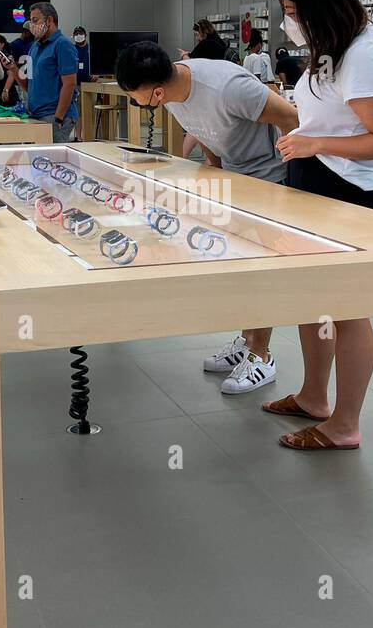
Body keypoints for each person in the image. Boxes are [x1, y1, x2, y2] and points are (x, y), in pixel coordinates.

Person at [265, 0, 373, 452]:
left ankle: (345, 424)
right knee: (314, 298)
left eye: (294, 11)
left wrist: (316, 143)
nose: (290, 22)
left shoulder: (365, 55)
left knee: (347, 308)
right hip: (313, 182)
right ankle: (313, 396)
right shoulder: (333, 47)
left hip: (345, 191)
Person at [115, 40, 300, 394]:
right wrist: (218, 174)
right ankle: (248, 342)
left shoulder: (228, 88)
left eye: (133, 94)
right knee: (240, 267)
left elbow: (291, 118)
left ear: (154, 92)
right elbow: (204, 133)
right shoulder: (172, 93)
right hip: (238, 178)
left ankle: (261, 356)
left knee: (260, 270)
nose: (132, 101)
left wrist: (291, 185)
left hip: (272, 177)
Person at [26, 2, 78, 142]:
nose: (32, 25)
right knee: (36, 161)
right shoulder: (34, 47)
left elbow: (69, 84)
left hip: (53, 115)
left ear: (49, 20)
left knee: (53, 160)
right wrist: (12, 68)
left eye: (35, 20)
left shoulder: (62, 44)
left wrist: (58, 118)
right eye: (31, 21)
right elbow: (28, 84)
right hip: (35, 114)